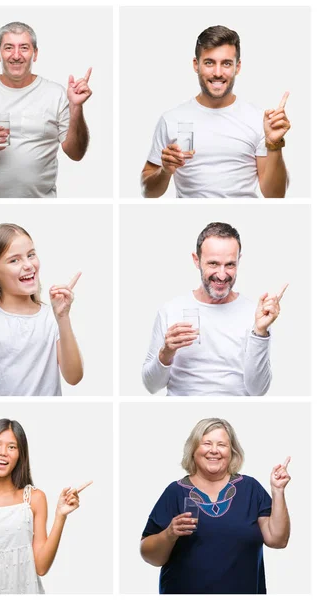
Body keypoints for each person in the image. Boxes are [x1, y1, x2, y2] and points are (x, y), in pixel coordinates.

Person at [140, 417, 290, 594]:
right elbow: (150, 555)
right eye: (206, 443)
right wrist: (169, 534)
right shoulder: (175, 492)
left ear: (232, 451)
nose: (214, 450)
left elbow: (278, 540)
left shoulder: (250, 488)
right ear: (193, 450)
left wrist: (278, 491)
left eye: (222, 445)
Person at [0, 21, 92, 198]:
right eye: (8, 48)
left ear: (35, 54)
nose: (16, 55)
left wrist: (76, 107)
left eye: (24, 48)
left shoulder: (56, 94)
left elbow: (76, 153)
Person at [0, 418, 90, 594]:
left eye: (12, 447)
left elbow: (41, 568)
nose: (3, 452)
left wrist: (60, 516)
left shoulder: (34, 498)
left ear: (20, 455)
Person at [141, 25, 291, 198]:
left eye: (226, 63)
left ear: (238, 67)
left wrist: (275, 144)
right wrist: (165, 172)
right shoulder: (171, 119)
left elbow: (275, 195)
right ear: (196, 65)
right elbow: (147, 192)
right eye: (209, 63)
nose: (218, 72)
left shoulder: (259, 119)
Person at [142, 222, 287, 396]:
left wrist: (260, 332)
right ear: (197, 260)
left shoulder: (255, 315)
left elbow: (258, 390)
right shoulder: (171, 310)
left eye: (230, 265)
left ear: (239, 261)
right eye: (213, 264)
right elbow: (151, 386)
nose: (222, 274)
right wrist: (166, 352)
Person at [0, 223, 83, 396]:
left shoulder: (51, 317)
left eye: (31, 255)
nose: (28, 265)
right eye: (14, 260)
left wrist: (63, 317)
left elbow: (74, 377)